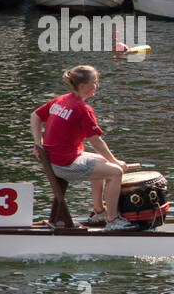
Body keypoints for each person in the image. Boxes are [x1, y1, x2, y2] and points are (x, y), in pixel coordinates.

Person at [31, 65, 131, 231]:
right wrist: (116, 162)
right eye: (95, 82)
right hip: (64, 164)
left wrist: (38, 142)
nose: (96, 86)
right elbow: (96, 142)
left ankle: (98, 212)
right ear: (83, 86)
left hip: (53, 160)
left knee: (100, 161)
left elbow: (35, 115)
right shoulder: (83, 109)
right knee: (115, 172)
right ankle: (113, 221)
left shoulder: (60, 100)